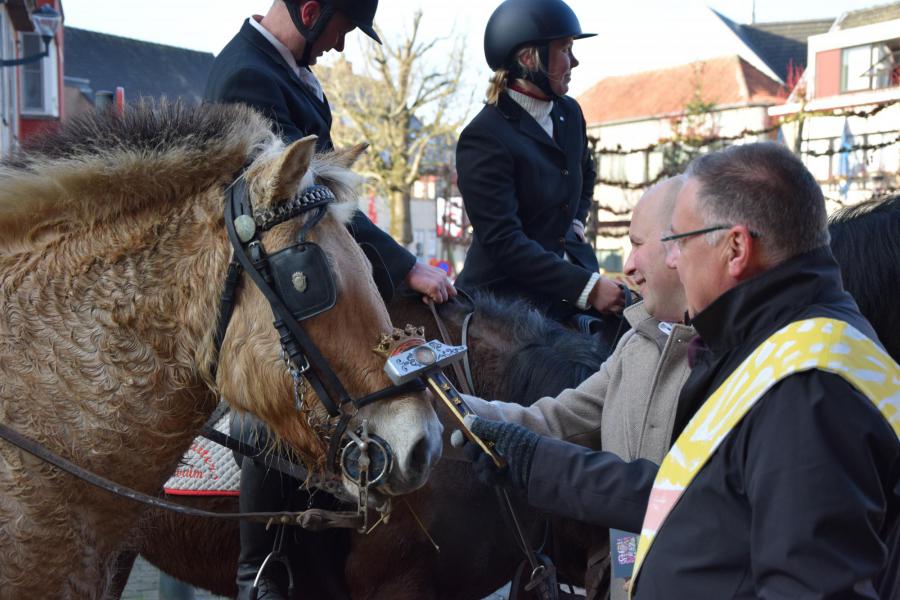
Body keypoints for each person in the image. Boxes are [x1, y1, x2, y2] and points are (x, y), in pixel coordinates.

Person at [461, 142, 900, 599]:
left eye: (681, 241)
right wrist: (534, 459)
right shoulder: (779, 350)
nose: (672, 259)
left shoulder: (809, 386)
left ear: (735, 248)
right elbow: (690, 500)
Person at [204, 2, 454, 598]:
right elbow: (303, 204)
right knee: (272, 383)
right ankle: (261, 567)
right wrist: (405, 265)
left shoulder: (290, 75)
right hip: (252, 280)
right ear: (312, 10)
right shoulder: (247, 76)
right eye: (342, 28)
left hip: (293, 264)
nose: (340, 45)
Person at [460, 176, 692, 599]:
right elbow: (556, 418)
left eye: (639, 244)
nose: (629, 265)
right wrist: (446, 405)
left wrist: (533, 460)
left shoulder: (735, 358)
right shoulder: (633, 343)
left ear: (682, 247)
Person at [454, 0, 624, 327]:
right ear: (529, 58)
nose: (575, 60)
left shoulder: (569, 113)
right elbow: (504, 242)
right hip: (504, 307)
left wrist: (575, 221)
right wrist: (587, 288)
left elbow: (584, 173)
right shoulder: (484, 137)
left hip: (567, 289)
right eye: (565, 49)